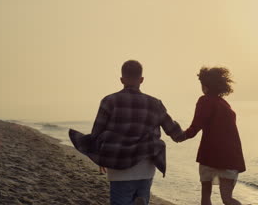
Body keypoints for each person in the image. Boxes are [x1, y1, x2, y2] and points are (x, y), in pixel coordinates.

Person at [69, 60, 184, 205]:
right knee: (142, 197)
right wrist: (196, 129)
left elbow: (96, 133)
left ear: (122, 80)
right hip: (146, 166)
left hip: (118, 163)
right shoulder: (155, 104)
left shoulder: (109, 101)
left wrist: (99, 156)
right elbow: (176, 134)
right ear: (141, 80)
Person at [179, 67, 246, 205]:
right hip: (230, 157)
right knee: (227, 198)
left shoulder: (205, 100)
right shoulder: (226, 105)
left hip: (209, 156)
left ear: (206, 86)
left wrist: (180, 136)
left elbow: (195, 127)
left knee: (206, 196)